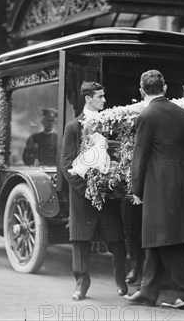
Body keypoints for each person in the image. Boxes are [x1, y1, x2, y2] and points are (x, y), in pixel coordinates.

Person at [125, 70, 184, 310]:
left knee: (165, 238)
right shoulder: (183, 114)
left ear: (141, 90)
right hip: (181, 179)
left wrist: (136, 189)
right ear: (165, 87)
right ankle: (148, 291)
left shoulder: (146, 115)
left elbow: (140, 156)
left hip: (159, 184)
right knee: (158, 236)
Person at [61, 82, 127, 300]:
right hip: (83, 195)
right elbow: (67, 163)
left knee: (116, 238)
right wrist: (86, 190)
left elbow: (119, 154)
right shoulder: (73, 127)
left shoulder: (111, 123)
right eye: (100, 96)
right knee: (80, 240)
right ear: (88, 99)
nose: (104, 100)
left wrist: (112, 182)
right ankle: (81, 283)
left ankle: (120, 280)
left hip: (108, 193)